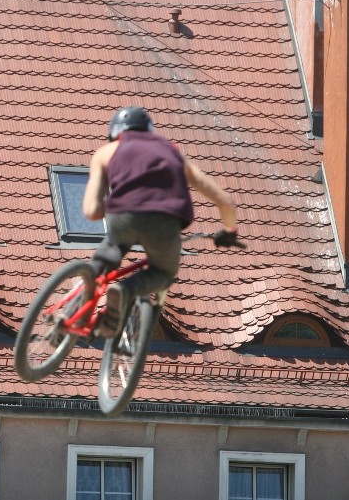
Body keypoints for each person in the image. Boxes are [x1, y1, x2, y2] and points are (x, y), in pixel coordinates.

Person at [82, 106, 241, 337]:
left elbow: (91, 211)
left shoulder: (107, 152)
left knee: (107, 255)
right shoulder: (171, 152)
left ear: (114, 133)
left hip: (123, 216)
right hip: (163, 221)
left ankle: (74, 312)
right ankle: (124, 290)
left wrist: (109, 209)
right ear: (150, 131)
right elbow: (225, 201)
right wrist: (229, 230)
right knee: (163, 273)